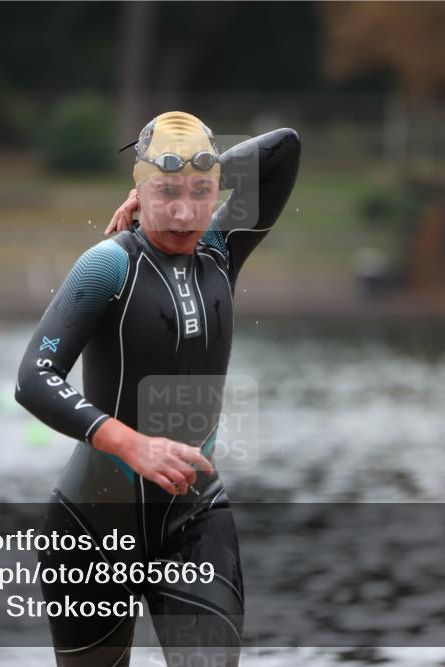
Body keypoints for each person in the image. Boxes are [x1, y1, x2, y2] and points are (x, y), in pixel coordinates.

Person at [15, 111, 300, 665]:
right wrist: (130, 443)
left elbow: (283, 151)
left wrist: (187, 173)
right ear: (139, 192)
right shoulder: (106, 266)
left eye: (202, 192)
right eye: (166, 193)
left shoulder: (222, 249)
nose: (185, 211)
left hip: (194, 522)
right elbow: (33, 378)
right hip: (92, 527)